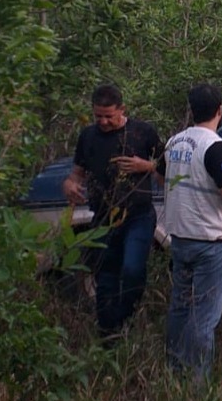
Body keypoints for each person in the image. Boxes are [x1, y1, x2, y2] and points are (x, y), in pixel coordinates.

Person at [62, 84, 164, 338]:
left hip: (138, 214)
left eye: (109, 116)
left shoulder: (143, 132)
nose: (104, 121)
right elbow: (77, 173)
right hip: (103, 216)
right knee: (105, 277)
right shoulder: (88, 136)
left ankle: (125, 316)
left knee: (132, 269)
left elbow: (167, 174)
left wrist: (147, 166)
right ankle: (108, 334)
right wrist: (70, 185)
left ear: (122, 109)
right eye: (99, 116)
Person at [161, 83, 222, 379]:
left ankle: (175, 371)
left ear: (191, 110)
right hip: (211, 242)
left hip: (181, 238)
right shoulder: (215, 145)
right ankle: (198, 384)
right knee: (204, 317)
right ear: (220, 110)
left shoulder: (174, 142)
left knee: (180, 308)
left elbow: (163, 176)